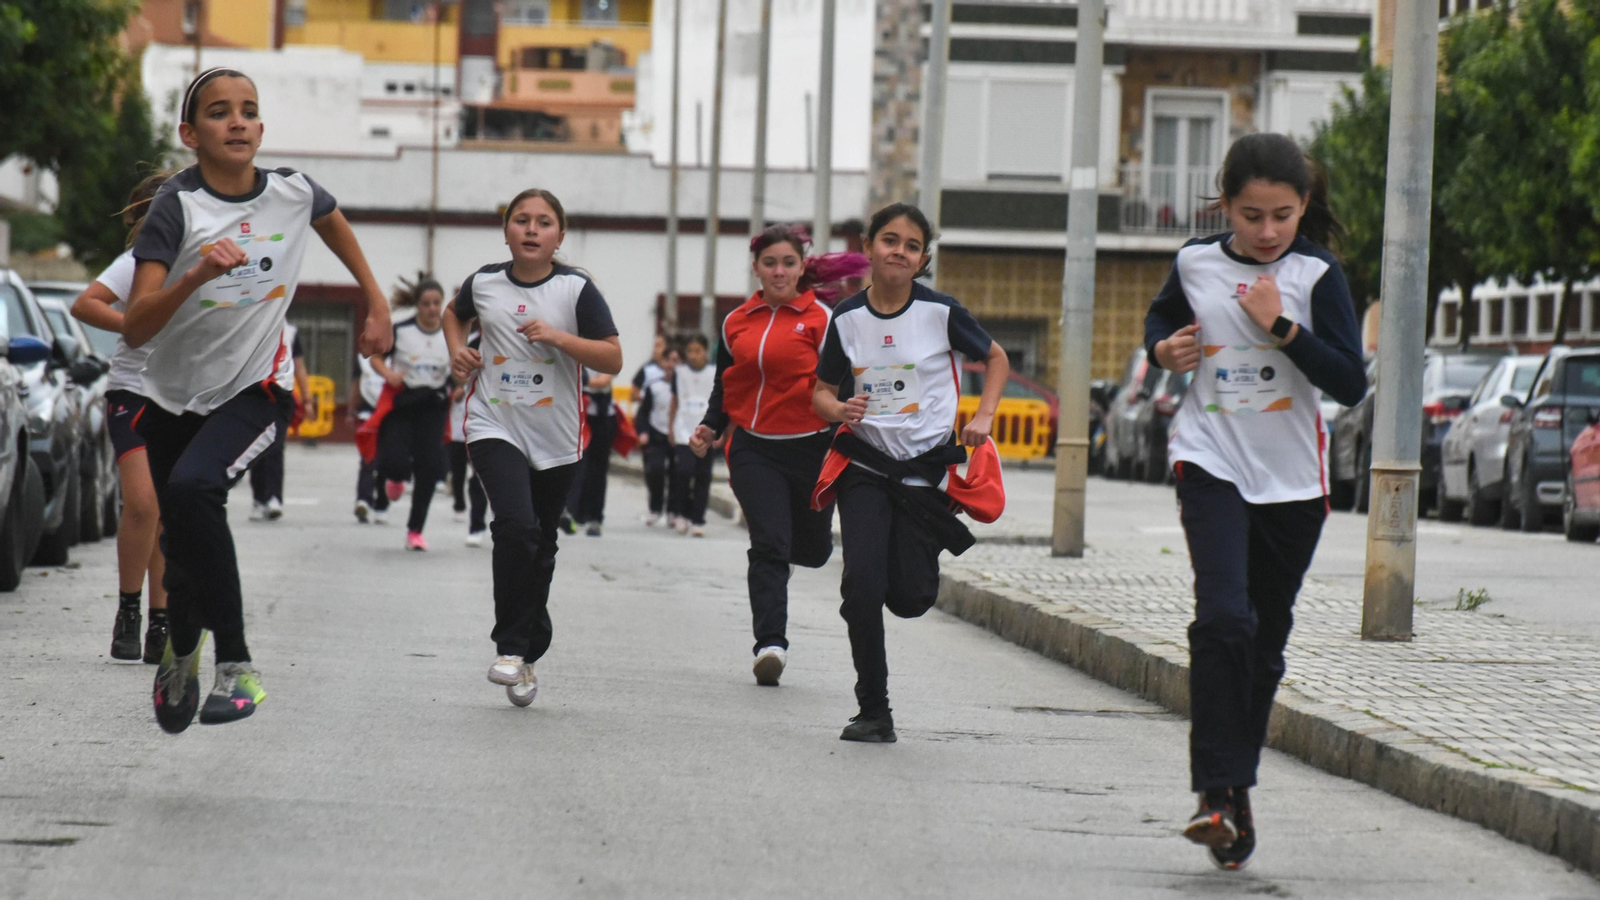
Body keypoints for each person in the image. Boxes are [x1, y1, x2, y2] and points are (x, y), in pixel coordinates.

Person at [125, 67, 392, 733]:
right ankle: (183, 648)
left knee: (191, 492)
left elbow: (332, 223)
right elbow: (136, 324)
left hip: (256, 388)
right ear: (191, 134)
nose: (238, 122)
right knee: (181, 547)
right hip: (169, 400)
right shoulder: (176, 210)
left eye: (248, 111)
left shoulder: (292, 192)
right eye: (219, 113)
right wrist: (197, 276)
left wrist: (376, 298)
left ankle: (237, 666)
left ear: (262, 128)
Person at [1143, 133, 1366, 870]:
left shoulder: (1317, 272)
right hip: (1210, 460)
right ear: (1226, 204)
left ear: (1303, 207)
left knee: (1263, 644)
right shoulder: (1195, 263)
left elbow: (1348, 381)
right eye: (1250, 215)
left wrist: (1282, 327)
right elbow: (1160, 322)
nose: (1267, 232)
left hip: (1294, 485)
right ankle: (1212, 792)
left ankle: (1236, 792)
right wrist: (1161, 352)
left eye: (1282, 215)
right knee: (1222, 619)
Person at [812, 203, 1010, 744]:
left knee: (908, 596)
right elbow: (822, 393)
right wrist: (838, 411)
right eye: (890, 240)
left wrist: (984, 415)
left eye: (912, 245)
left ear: (922, 259)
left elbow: (995, 359)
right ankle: (874, 710)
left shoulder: (941, 313)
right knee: (861, 586)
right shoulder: (846, 319)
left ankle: (916, 575)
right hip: (867, 466)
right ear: (870, 246)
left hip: (924, 474)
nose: (899, 251)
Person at [444, 188, 621, 707]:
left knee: (541, 544)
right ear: (506, 231)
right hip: (494, 422)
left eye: (543, 222)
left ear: (559, 236)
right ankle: (509, 647)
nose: (531, 229)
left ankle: (527, 654)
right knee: (515, 526)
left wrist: (559, 338)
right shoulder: (484, 283)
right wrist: (459, 352)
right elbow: (457, 316)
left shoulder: (575, 291)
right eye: (521, 220)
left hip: (557, 435)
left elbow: (611, 358)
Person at [689, 223, 865, 686]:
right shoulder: (736, 322)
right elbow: (727, 382)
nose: (779, 271)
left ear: (802, 266)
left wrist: (850, 424)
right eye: (770, 263)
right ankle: (771, 643)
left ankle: (797, 551)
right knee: (768, 544)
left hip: (811, 446)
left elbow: (839, 385)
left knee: (809, 549)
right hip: (752, 447)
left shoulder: (823, 320)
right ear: (756, 268)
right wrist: (712, 425)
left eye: (788, 262)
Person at [70, 172, 172, 665]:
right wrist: (133, 324)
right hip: (133, 392)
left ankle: (162, 619)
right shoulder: (136, 262)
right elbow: (85, 304)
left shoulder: (200, 261)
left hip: (183, 396)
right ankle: (128, 609)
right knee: (142, 504)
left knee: (167, 510)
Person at [369, 279, 453, 551]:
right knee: (393, 460)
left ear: (442, 304)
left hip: (434, 405)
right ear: (417, 306)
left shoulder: (451, 334)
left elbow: (463, 365)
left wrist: (461, 386)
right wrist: (389, 374)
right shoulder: (402, 331)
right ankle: (395, 478)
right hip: (404, 403)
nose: (431, 309)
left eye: (436, 303)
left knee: (429, 469)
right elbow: (376, 358)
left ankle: (415, 531)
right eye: (425, 304)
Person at [248, 322, 310, 521]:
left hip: (282, 396)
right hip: (255, 395)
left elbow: (299, 366)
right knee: (255, 448)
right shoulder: (255, 324)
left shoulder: (291, 332)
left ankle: (274, 498)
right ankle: (259, 499)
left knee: (276, 447)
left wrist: (307, 399)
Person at [561, 368, 619, 537]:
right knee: (576, 465)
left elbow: (603, 381)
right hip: (578, 414)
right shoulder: (574, 343)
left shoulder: (607, 346)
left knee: (598, 470)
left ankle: (595, 518)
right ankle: (571, 513)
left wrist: (581, 379)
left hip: (602, 416)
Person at [669, 335, 716, 536]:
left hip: (707, 432)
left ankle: (698, 519)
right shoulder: (679, 373)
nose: (694, 355)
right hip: (683, 431)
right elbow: (674, 401)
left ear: (706, 351)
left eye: (698, 351)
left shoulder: (714, 373)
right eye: (690, 351)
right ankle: (681, 513)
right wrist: (671, 427)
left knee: (703, 476)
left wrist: (720, 433)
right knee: (683, 472)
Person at [447, 329, 489, 545]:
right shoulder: (472, 342)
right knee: (460, 468)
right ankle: (464, 509)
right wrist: (459, 385)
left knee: (480, 475)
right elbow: (452, 373)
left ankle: (480, 523)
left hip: (500, 418)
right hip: (467, 417)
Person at [635, 342, 679, 526]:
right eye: (668, 360)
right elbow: (643, 413)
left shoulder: (686, 389)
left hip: (678, 437)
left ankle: (673, 511)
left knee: (678, 474)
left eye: (676, 361)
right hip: (657, 435)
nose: (671, 365)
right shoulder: (654, 387)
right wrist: (643, 432)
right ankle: (655, 508)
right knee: (655, 469)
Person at [351, 353, 388, 523]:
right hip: (368, 415)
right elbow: (356, 386)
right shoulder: (361, 359)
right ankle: (363, 500)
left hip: (390, 416)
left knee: (386, 461)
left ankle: (381, 504)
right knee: (367, 458)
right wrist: (352, 410)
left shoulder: (398, 355)